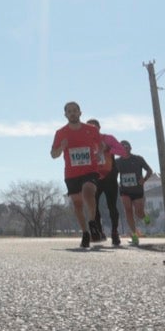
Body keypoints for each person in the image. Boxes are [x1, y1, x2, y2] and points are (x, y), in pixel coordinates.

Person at [50, 102, 103, 249]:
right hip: (72, 173)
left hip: (90, 170)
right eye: (69, 111)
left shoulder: (91, 129)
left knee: (88, 191)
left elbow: (100, 145)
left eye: (75, 110)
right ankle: (85, 233)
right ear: (65, 115)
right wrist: (62, 147)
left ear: (80, 113)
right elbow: (53, 155)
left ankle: (92, 222)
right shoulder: (60, 133)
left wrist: (98, 153)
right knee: (78, 204)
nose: (72, 113)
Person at [86, 118, 126, 245]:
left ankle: (115, 232)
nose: (93, 129)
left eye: (94, 127)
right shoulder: (86, 141)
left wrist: (109, 149)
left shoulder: (109, 138)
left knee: (112, 206)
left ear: (99, 127)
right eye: (89, 127)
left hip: (110, 176)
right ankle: (99, 231)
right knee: (94, 206)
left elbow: (123, 152)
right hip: (95, 177)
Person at [112, 140, 153, 246]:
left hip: (137, 190)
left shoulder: (138, 159)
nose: (124, 149)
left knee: (138, 213)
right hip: (125, 191)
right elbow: (113, 174)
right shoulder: (117, 162)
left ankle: (145, 216)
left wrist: (144, 179)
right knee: (128, 211)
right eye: (121, 147)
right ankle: (134, 235)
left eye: (126, 147)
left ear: (130, 148)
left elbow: (149, 170)